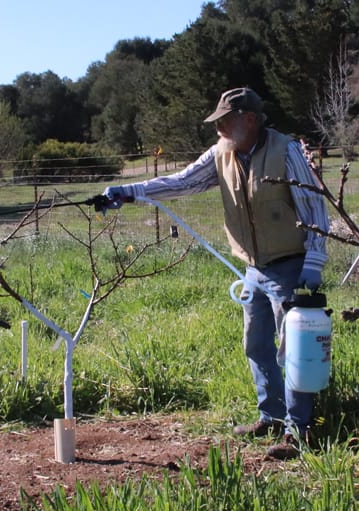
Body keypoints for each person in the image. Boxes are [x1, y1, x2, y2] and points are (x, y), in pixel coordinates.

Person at [101, 87, 329, 460]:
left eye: (225, 120)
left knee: (294, 350)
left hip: (290, 264)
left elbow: (313, 205)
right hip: (254, 267)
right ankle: (270, 416)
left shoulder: (286, 151)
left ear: (250, 120)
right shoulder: (221, 153)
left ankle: (299, 430)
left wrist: (314, 264)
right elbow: (183, 182)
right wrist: (130, 191)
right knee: (256, 345)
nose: (219, 127)